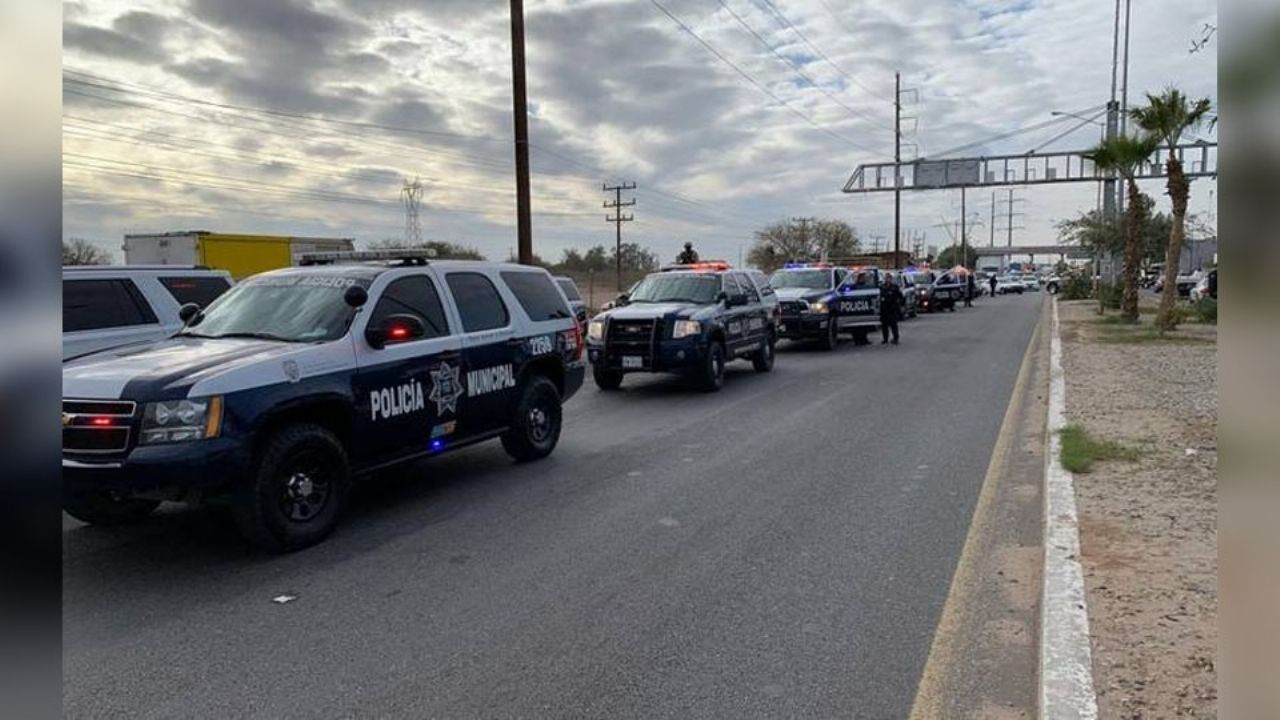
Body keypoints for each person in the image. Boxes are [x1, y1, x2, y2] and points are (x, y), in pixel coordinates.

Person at [879, 273, 904, 345]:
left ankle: (895, 338)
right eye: (886, 278)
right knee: (884, 325)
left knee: (893, 324)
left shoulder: (895, 287)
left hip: (892, 308)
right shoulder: (882, 287)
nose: (887, 280)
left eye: (889, 278)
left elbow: (900, 296)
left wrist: (900, 304)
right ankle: (885, 339)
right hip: (884, 309)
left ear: (891, 279)